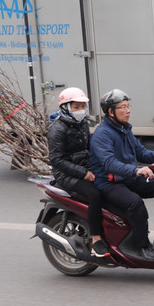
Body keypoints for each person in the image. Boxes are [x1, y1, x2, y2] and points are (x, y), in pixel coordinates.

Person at [90, 89, 154, 263]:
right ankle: (143, 247)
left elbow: (141, 153)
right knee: (135, 203)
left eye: (128, 106)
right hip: (110, 183)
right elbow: (109, 163)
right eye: (123, 107)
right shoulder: (102, 134)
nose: (128, 110)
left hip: (127, 178)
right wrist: (136, 170)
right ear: (111, 111)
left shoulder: (124, 129)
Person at [47, 88, 110, 260]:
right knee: (95, 195)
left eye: (83, 106)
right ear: (66, 107)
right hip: (66, 174)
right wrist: (83, 173)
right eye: (76, 106)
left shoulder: (81, 124)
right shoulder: (57, 129)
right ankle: (96, 238)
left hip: (84, 168)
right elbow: (57, 160)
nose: (81, 110)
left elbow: (88, 148)